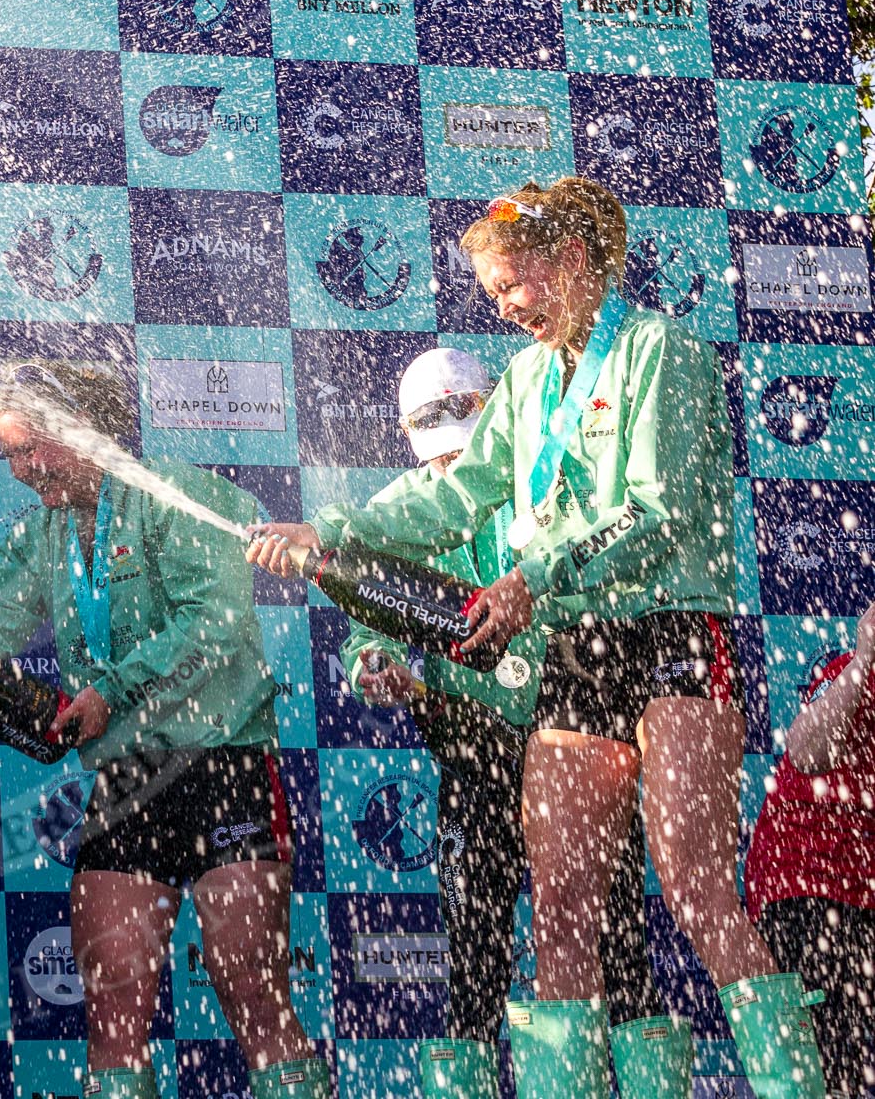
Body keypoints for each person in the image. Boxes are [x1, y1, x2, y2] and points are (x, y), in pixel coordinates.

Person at [247, 177, 825, 1097]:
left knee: (694, 890)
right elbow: (457, 494)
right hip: (574, 649)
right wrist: (337, 533)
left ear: (570, 262)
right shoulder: (522, 380)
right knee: (562, 907)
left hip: (670, 634)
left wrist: (536, 577)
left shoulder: (660, 351)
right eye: (494, 296)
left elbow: (659, 510)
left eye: (513, 286)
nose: (506, 309)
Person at [0, 361, 330, 1099]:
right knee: (111, 1013)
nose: (26, 468)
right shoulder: (40, 531)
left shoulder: (171, 491)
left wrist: (113, 688)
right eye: (12, 453)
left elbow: (221, 619)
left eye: (38, 446)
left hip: (222, 763)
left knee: (252, 991)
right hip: (127, 779)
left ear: (87, 430)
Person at [330, 347, 672, 1098]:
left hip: (570, 733)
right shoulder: (397, 510)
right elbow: (367, 633)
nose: (453, 462)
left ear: (496, 417)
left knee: (619, 947)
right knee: (474, 965)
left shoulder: (544, 487)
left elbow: (603, 587)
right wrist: (377, 670)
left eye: (466, 442)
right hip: (470, 749)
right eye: (438, 449)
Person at [745, 601, 875, 1097]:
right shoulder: (852, 671)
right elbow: (805, 750)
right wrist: (865, 658)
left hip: (859, 892)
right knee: (825, 1069)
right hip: (806, 885)